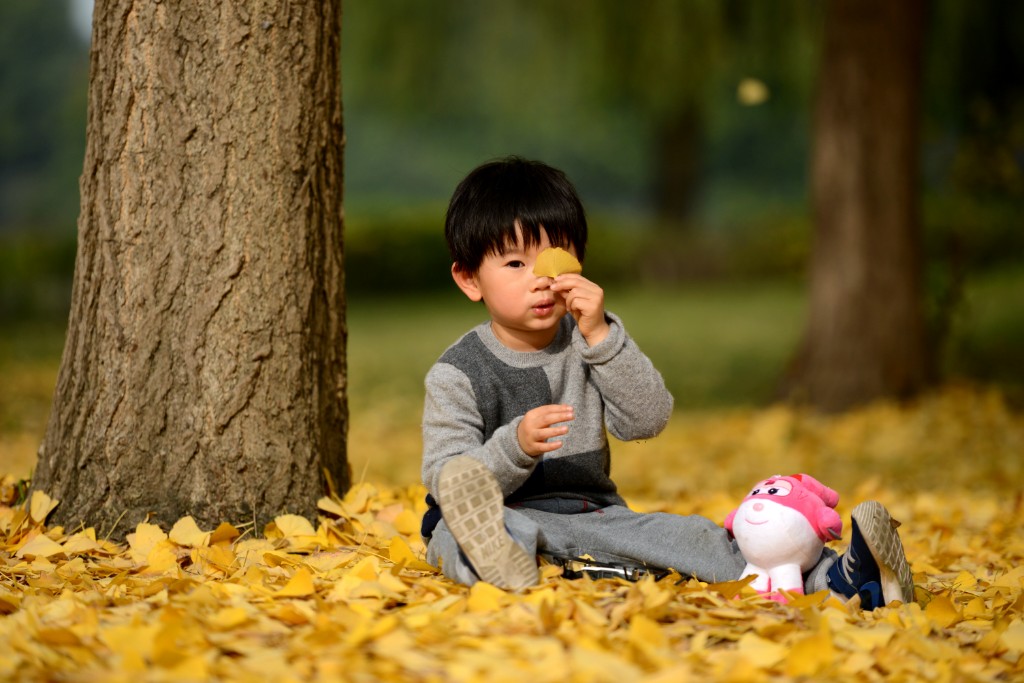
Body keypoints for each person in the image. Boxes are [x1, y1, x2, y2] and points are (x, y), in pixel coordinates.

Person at [419, 156, 913, 610]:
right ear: (469, 280)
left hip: (594, 515)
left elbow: (647, 419)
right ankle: (498, 565)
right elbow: (448, 479)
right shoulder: (458, 373)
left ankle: (844, 579)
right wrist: (514, 446)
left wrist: (602, 338)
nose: (540, 279)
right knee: (461, 532)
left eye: (555, 258)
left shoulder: (593, 337)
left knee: (689, 538)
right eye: (514, 264)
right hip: (501, 512)